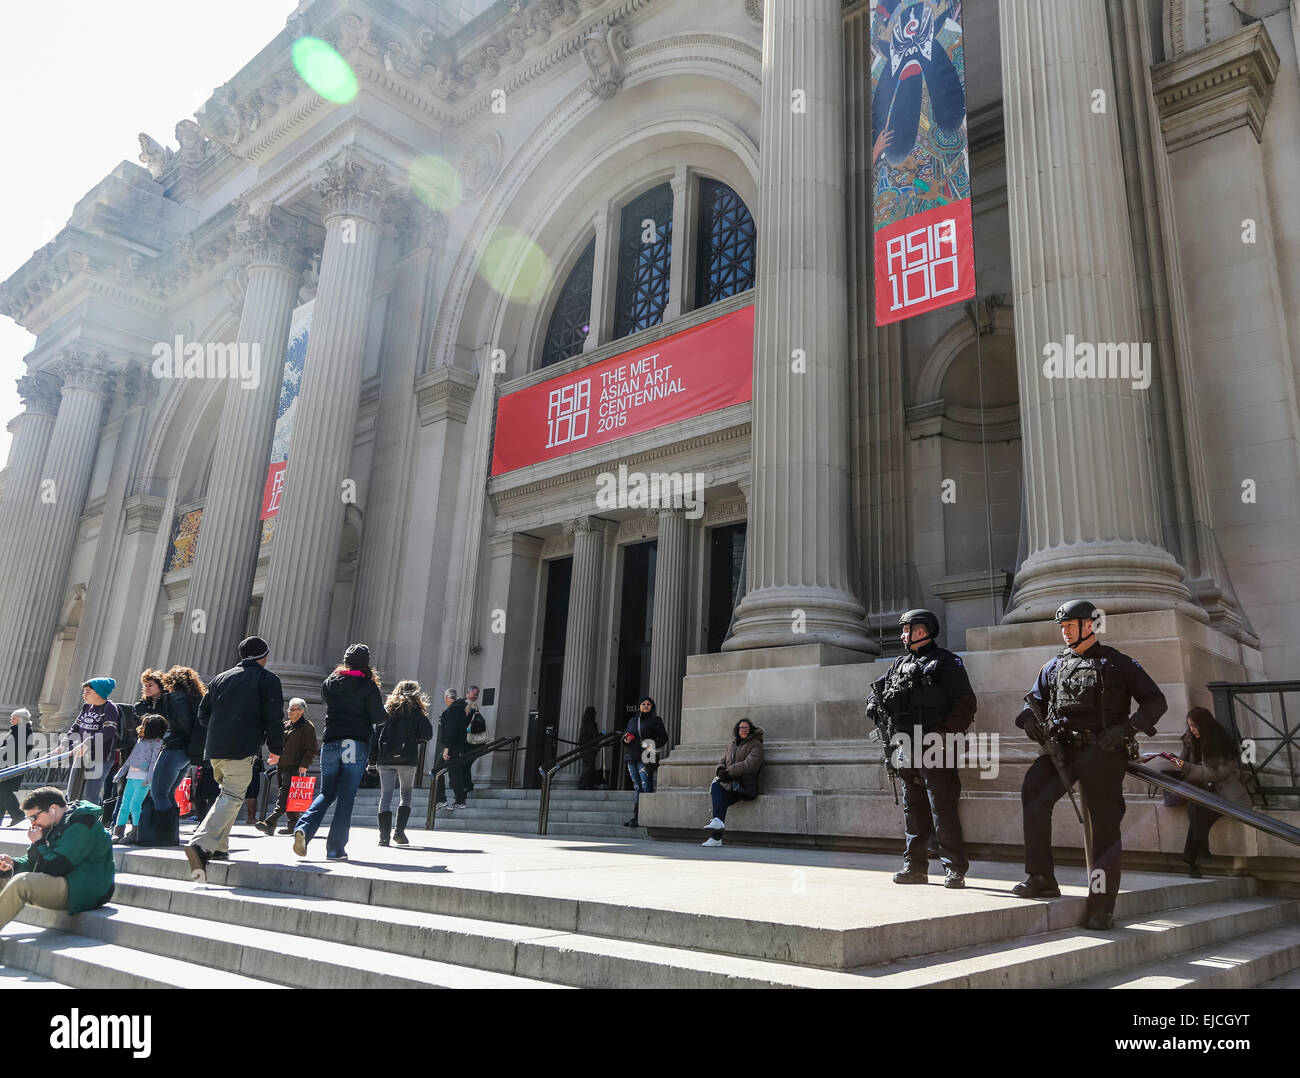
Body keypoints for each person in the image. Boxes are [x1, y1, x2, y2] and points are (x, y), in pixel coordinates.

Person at [1013, 598, 1167, 930]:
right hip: (1062, 750)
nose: (1065, 632)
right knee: (1033, 792)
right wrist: (1029, 723)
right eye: (1063, 627)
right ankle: (1041, 877)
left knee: (1104, 827)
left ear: (1089, 625)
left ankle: (1101, 904)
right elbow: (1030, 703)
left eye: (1071, 625)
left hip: (1103, 751)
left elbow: (1155, 701)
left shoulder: (1119, 663)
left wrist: (1127, 729)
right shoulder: (1053, 666)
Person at [871, 609, 978, 888]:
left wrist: (944, 734)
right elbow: (878, 690)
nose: (902, 635)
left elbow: (966, 702)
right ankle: (915, 867)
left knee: (942, 807)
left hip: (935, 745)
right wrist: (873, 703)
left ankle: (954, 868)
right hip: (905, 744)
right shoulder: (899, 663)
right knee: (913, 808)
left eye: (907, 629)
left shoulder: (946, 661)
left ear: (922, 630)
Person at [184, 636, 284, 883]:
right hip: (242, 747)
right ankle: (200, 845)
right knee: (232, 795)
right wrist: (276, 748)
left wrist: (221, 729)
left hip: (215, 748)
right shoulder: (268, 680)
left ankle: (219, 847)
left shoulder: (220, 678)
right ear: (264, 656)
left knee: (226, 794)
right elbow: (273, 717)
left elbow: (203, 714)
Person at [292, 644, 384, 862]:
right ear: (366, 663)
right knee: (346, 796)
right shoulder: (368, 686)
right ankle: (335, 849)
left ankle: (304, 827)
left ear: (345, 661)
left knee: (326, 792)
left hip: (331, 742)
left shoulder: (329, 683)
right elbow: (379, 717)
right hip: (354, 743)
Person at [0, 787, 115, 930]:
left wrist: (40, 843)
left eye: (34, 817)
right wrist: (12, 864)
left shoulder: (82, 823)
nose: (33, 823)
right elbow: (33, 861)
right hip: (64, 880)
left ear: (53, 809)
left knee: (21, 883)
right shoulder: (52, 824)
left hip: (85, 888)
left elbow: (58, 867)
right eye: (29, 819)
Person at [1168, 706, 1250, 877]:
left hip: (1224, 794)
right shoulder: (1189, 741)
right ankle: (1198, 855)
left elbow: (1216, 774)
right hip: (1203, 791)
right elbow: (1183, 764)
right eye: (1190, 726)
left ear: (1204, 725)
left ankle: (1194, 858)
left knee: (1196, 809)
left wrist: (1185, 767)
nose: (1192, 730)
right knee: (1196, 807)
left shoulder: (1220, 743)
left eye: (1195, 726)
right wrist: (1170, 762)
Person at [145, 665, 206, 847]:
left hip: (174, 748)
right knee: (168, 793)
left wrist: (175, 735)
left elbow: (183, 722)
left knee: (159, 792)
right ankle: (170, 834)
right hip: (187, 752)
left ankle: (164, 835)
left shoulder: (177, 697)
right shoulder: (196, 698)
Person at [369, 681, 433, 846]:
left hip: (385, 758)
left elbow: (374, 737)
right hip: (407, 758)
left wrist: (371, 762)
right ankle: (399, 833)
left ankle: (384, 837)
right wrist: (415, 739)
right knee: (406, 794)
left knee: (386, 795)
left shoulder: (387, 710)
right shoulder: (416, 712)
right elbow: (428, 734)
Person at [256, 698, 318, 836]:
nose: (289, 711)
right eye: (289, 708)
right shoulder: (285, 725)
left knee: (285, 796)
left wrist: (304, 765)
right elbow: (279, 744)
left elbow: (311, 749)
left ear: (301, 711)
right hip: (282, 766)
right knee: (290, 796)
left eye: (293, 709)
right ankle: (293, 825)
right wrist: (274, 757)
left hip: (295, 767)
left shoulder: (307, 727)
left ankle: (270, 822)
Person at [702, 719, 765, 847]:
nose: (744, 730)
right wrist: (720, 770)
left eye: (746, 728)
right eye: (741, 727)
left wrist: (728, 772)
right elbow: (722, 760)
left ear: (751, 730)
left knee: (720, 802)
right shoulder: (732, 744)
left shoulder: (756, 744)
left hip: (744, 786)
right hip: (730, 784)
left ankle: (716, 837)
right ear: (737, 730)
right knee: (716, 787)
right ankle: (717, 829)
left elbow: (750, 765)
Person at [64, 678, 121, 808]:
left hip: (101, 757)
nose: (84, 695)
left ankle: (90, 818)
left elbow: (108, 731)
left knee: (90, 793)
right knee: (72, 792)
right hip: (81, 756)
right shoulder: (86, 707)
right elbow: (75, 728)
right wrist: (64, 743)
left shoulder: (110, 708)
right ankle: (72, 816)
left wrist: (87, 743)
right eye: (84, 691)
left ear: (99, 692)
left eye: (88, 692)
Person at [112, 715, 167, 844]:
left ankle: (136, 833)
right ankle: (118, 832)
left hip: (143, 779)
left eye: (144, 725)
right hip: (131, 776)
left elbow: (154, 762)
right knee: (124, 805)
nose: (141, 727)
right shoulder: (140, 741)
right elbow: (130, 758)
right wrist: (121, 772)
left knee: (135, 805)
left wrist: (149, 778)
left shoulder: (158, 743)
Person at [622, 697, 668, 828]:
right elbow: (626, 736)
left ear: (652, 707)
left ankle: (647, 815)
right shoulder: (633, 720)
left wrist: (652, 745)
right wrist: (626, 739)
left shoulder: (655, 720)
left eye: (649, 704)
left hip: (647, 756)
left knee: (646, 784)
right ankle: (637, 816)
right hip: (632, 756)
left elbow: (664, 737)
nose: (646, 706)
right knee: (638, 786)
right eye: (643, 704)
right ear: (639, 706)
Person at [435, 688, 470, 811]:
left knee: (438, 772)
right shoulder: (459, 710)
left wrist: (447, 748)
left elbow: (451, 731)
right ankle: (458, 800)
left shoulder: (453, 711)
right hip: (456, 747)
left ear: (446, 697)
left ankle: (442, 800)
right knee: (454, 773)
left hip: (451, 748)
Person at [0, 709, 35, 827]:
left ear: (21, 719)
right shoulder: (17, 730)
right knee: (2, 791)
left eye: (14, 718)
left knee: (3, 789)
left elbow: (13, 749)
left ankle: (17, 814)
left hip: (13, 765)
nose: (11, 720)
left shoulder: (22, 731)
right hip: (9, 764)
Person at [576, 706, 602, 790]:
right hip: (590, 749)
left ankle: (590, 785)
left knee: (590, 767)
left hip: (585, 748)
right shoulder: (591, 724)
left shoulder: (585, 723)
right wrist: (602, 734)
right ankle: (581, 785)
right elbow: (594, 735)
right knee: (588, 767)